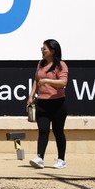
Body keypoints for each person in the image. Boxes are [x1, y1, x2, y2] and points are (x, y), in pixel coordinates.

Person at [27, 39, 69, 169]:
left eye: (44, 49)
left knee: (58, 131)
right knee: (43, 131)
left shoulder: (61, 65)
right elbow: (36, 80)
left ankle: (61, 159)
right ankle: (40, 157)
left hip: (58, 104)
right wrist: (31, 96)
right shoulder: (40, 63)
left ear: (52, 51)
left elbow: (63, 83)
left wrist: (46, 80)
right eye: (42, 49)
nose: (42, 51)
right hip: (42, 103)